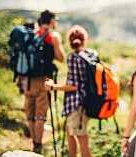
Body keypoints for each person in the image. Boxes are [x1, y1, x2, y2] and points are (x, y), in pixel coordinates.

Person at [45, 25, 92, 157]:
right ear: (84, 39)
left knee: (81, 139)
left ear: (69, 40)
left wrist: (53, 86)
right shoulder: (90, 54)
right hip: (86, 103)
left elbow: (74, 86)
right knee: (71, 134)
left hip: (77, 104)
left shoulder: (74, 57)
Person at [23, 10, 64, 153]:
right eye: (55, 21)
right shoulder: (53, 36)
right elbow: (61, 58)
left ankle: (34, 141)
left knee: (30, 113)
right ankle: (37, 145)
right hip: (45, 79)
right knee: (40, 115)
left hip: (28, 79)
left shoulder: (32, 34)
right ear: (51, 21)